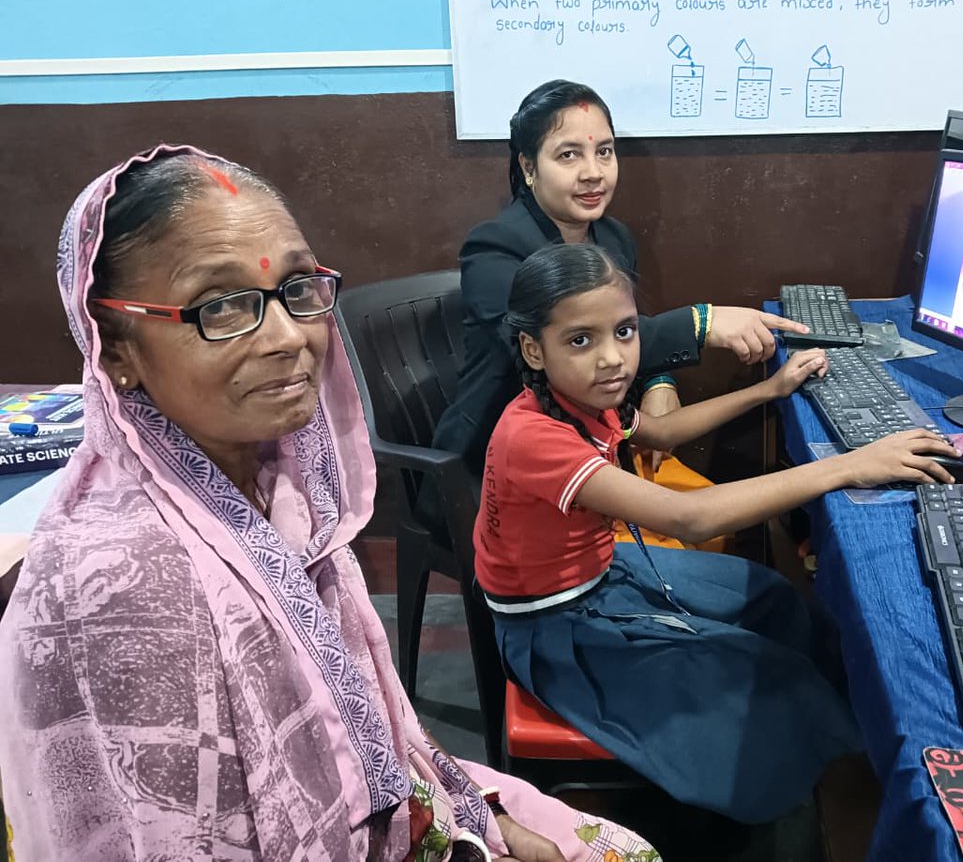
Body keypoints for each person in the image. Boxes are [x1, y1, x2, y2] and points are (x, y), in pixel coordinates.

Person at [0, 145, 660, 862]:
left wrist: (480, 822)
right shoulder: (120, 587)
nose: (288, 336)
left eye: (297, 289)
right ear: (116, 346)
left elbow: (372, 714)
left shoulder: (281, 484)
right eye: (223, 305)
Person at [474, 243, 961, 824]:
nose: (612, 359)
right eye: (581, 340)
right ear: (534, 348)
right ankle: (824, 797)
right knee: (763, 676)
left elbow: (660, 430)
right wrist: (850, 465)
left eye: (625, 332)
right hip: (556, 628)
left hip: (599, 575)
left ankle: (832, 743)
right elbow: (688, 519)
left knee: (772, 597)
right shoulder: (534, 435)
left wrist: (769, 390)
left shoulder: (579, 397)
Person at [431, 79, 813, 478]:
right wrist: (702, 323)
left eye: (605, 152)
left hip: (600, 447)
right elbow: (560, 353)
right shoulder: (496, 248)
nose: (593, 173)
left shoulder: (613, 238)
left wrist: (658, 384)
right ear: (529, 166)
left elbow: (627, 329)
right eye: (568, 155)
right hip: (497, 467)